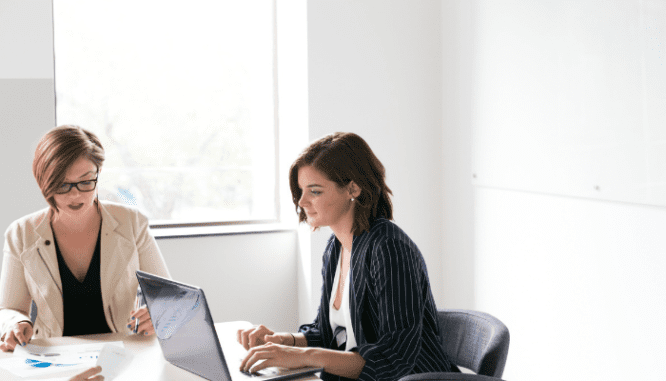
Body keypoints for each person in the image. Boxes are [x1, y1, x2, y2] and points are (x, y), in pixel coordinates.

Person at [238, 132, 458, 381]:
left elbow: (392, 361)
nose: (302, 201)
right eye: (301, 190)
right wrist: (283, 341)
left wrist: (303, 356)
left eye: (315, 191)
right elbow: (328, 334)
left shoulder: (389, 248)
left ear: (352, 188)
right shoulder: (336, 247)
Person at [0, 125, 171, 352]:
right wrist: (16, 323)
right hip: (52, 357)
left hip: (122, 353)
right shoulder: (21, 233)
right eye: (62, 184)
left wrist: (157, 312)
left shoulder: (132, 222)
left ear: (98, 174)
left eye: (86, 181)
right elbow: (10, 309)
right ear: (45, 182)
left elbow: (168, 297)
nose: (75, 194)